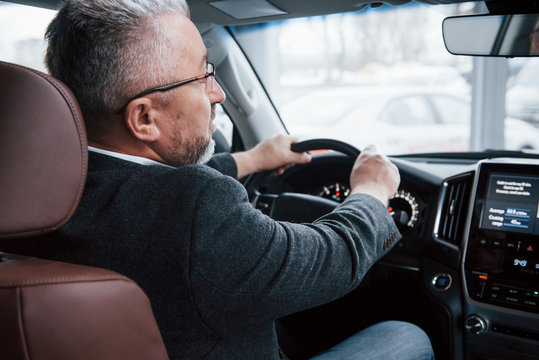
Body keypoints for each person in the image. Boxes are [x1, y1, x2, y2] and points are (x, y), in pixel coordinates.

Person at [18, 0, 434, 359]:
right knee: (406, 337)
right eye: (202, 76)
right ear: (144, 118)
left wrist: (254, 158)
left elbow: (144, 187)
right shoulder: (196, 211)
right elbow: (328, 258)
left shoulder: (33, 192)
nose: (216, 93)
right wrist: (372, 192)